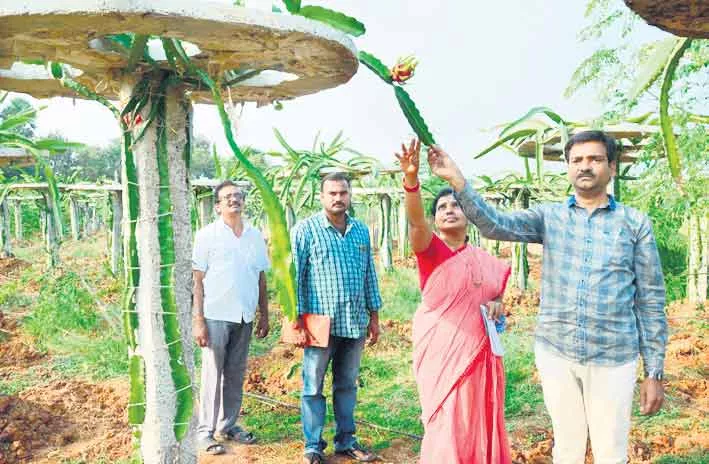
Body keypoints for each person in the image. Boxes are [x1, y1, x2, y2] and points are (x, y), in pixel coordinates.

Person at [425, 130, 668, 464]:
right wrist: (457, 180)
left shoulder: (634, 224)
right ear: (568, 167)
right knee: (566, 448)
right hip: (558, 353)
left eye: (595, 159)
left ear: (611, 167)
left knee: (611, 450)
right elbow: (495, 224)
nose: (586, 167)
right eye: (577, 160)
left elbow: (651, 299)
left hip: (615, 355)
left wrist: (654, 371)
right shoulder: (549, 218)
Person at [395, 139, 512, 464]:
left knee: (478, 423)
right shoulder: (432, 252)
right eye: (442, 208)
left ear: (469, 215)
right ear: (436, 220)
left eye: (455, 205)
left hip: (480, 360)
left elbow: (496, 302)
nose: (448, 210)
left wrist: (498, 308)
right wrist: (411, 180)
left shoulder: (490, 263)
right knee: (446, 427)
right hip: (442, 360)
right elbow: (416, 221)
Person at [291, 172, 382, 464]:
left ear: (350, 195)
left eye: (343, 192)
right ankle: (313, 445)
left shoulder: (360, 231)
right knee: (312, 386)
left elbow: (369, 274)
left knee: (346, 384)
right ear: (322, 196)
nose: (338, 198)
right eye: (332, 193)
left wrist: (374, 316)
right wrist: (297, 319)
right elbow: (295, 277)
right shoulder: (306, 230)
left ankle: (346, 440)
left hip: (353, 320)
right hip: (318, 322)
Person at [192, 180, 271, 455]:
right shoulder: (206, 236)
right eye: (227, 197)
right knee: (213, 374)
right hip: (216, 314)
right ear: (217, 206)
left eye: (238, 196)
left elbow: (260, 276)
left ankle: (228, 425)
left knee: (235, 373)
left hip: (244, 315)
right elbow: (197, 281)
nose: (234, 200)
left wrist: (264, 313)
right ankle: (205, 431)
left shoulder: (255, 235)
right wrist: (198, 319)